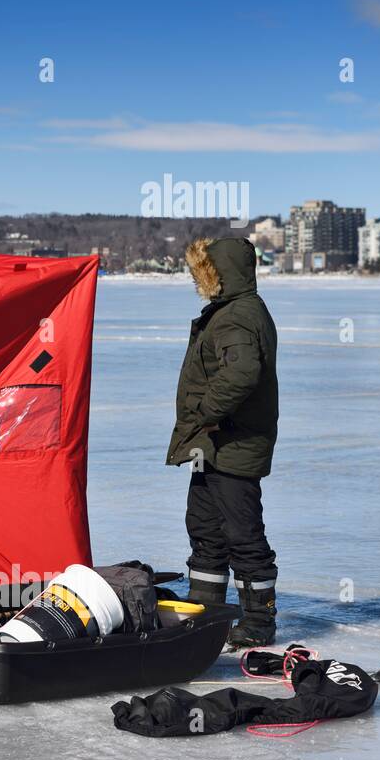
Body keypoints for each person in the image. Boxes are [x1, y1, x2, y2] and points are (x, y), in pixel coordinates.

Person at [165, 237, 279, 647]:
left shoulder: (237, 316)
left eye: (203, 273)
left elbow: (242, 374)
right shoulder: (231, 310)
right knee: (206, 529)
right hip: (213, 444)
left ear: (220, 274)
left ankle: (258, 621)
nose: (198, 281)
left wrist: (205, 410)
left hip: (233, 443)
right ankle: (206, 614)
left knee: (242, 534)